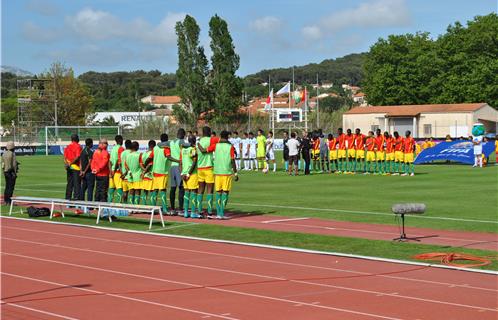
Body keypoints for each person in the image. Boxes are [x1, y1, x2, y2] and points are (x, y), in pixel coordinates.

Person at [210, 130, 238, 219]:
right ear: (228, 137)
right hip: (226, 173)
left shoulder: (216, 146)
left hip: (217, 172)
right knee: (225, 192)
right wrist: (236, 173)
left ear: (220, 137)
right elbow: (233, 160)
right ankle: (221, 213)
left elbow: (205, 150)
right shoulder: (230, 147)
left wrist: (198, 146)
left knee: (218, 192)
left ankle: (218, 213)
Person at [197, 126, 218, 218]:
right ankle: (209, 212)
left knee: (200, 190)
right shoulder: (211, 140)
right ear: (209, 132)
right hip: (208, 168)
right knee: (209, 190)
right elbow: (220, 140)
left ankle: (199, 210)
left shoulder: (199, 141)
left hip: (200, 168)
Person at [180, 135, 200, 218]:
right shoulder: (193, 149)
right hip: (192, 174)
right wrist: (189, 173)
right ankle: (192, 212)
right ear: (194, 141)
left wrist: (182, 173)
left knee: (186, 193)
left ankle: (185, 212)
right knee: (194, 192)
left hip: (184, 173)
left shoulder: (183, 150)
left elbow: (180, 162)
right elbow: (194, 162)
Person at [151, 134, 172, 213]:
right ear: (166, 140)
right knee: (163, 191)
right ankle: (165, 209)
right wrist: (177, 160)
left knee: (155, 191)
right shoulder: (165, 148)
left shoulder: (155, 148)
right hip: (162, 172)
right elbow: (169, 157)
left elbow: (150, 157)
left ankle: (153, 208)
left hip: (155, 172)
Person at [168, 128, 185, 215]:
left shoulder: (171, 142)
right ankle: (181, 209)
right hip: (179, 166)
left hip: (172, 166)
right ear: (182, 134)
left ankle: (172, 208)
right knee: (181, 187)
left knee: (173, 188)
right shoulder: (181, 142)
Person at [64, 134, 82, 200]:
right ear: (77, 139)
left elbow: (65, 157)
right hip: (75, 167)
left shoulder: (67, 146)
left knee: (69, 183)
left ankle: (67, 197)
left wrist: (66, 164)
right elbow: (77, 157)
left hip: (69, 167)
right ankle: (76, 198)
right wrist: (70, 163)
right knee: (76, 184)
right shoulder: (78, 146)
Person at [108, 135, 124, 203]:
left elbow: (110, 161)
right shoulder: (121, 148)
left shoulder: (113, 148)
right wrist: (114, 171)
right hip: (117, 172)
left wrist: (110, 171)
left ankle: (109, 204)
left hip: (112, 171)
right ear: (120, 140)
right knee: (119, 188)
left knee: (111, 189)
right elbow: (118, 161)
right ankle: (119, 206)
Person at [140, 140, 155, 205]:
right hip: (150, 175)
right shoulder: (151, 153)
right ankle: (152, 207)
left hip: (144, 176)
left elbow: (141, 164)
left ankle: (144, 206)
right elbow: (150, 164)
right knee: (152, 192)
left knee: (145, 192)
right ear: (154, 146)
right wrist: (145, 172)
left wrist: (143, 171)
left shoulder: (144, 153)